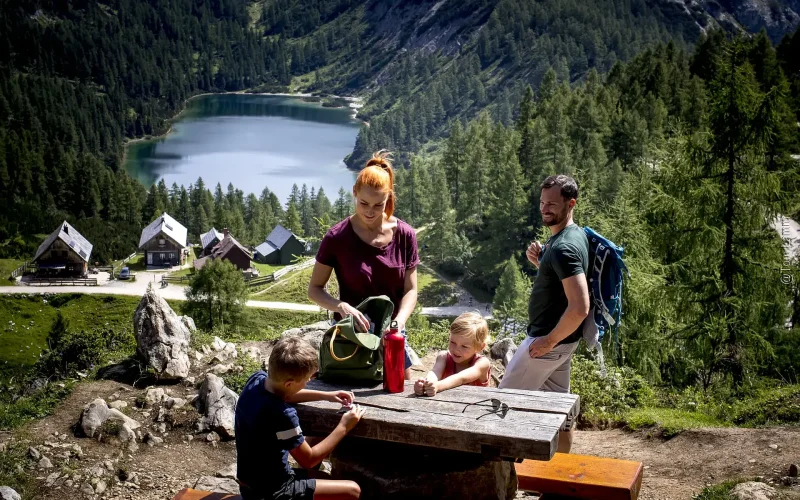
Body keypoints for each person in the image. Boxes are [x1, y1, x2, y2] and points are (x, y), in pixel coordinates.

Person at [498, 174, 590, 454]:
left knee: (500, 407)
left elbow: (580, 307)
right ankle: (561, 480)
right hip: (563, 344)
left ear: (571, 203)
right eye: (541, 202)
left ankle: (495, 478)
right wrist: (542, 264)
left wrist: (548, 341)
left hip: (546, 344)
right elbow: (562, 289)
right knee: (558, 415)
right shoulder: (573, 236)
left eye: (552, 203)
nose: (544, 208)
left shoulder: (563, 248)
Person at [309, 150, 420, 379]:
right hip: (350, 332)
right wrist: (341, 307)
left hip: (392, 330)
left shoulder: (405, 235)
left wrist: (398, 323)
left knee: (399, 388)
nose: (370, 211)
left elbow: (411, 290)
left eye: (379, 205)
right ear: (354, 193)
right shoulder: (336, 237)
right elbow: (314, 290)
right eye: (363, 203)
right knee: (351, 392)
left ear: (388, 198)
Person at [235, 336, 365, 500]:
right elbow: (308, 460)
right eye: (307, 379)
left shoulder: (257, 380)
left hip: (250, 483)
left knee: (325, 478)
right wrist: (344, 426)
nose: (309, 382)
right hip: (272, 491)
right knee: (353, 490)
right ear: (289, 384)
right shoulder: (281, 414)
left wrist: (326, 396)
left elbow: (286, 396)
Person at [414, 311, 491, 396]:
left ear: (480, 347)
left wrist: (438, 386)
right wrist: (426, 384)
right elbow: (435, 373)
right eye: (453, 342)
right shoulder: (443, 357)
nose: (456, 350)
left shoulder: (483, 363)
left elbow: (462, 378)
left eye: (464, 346)